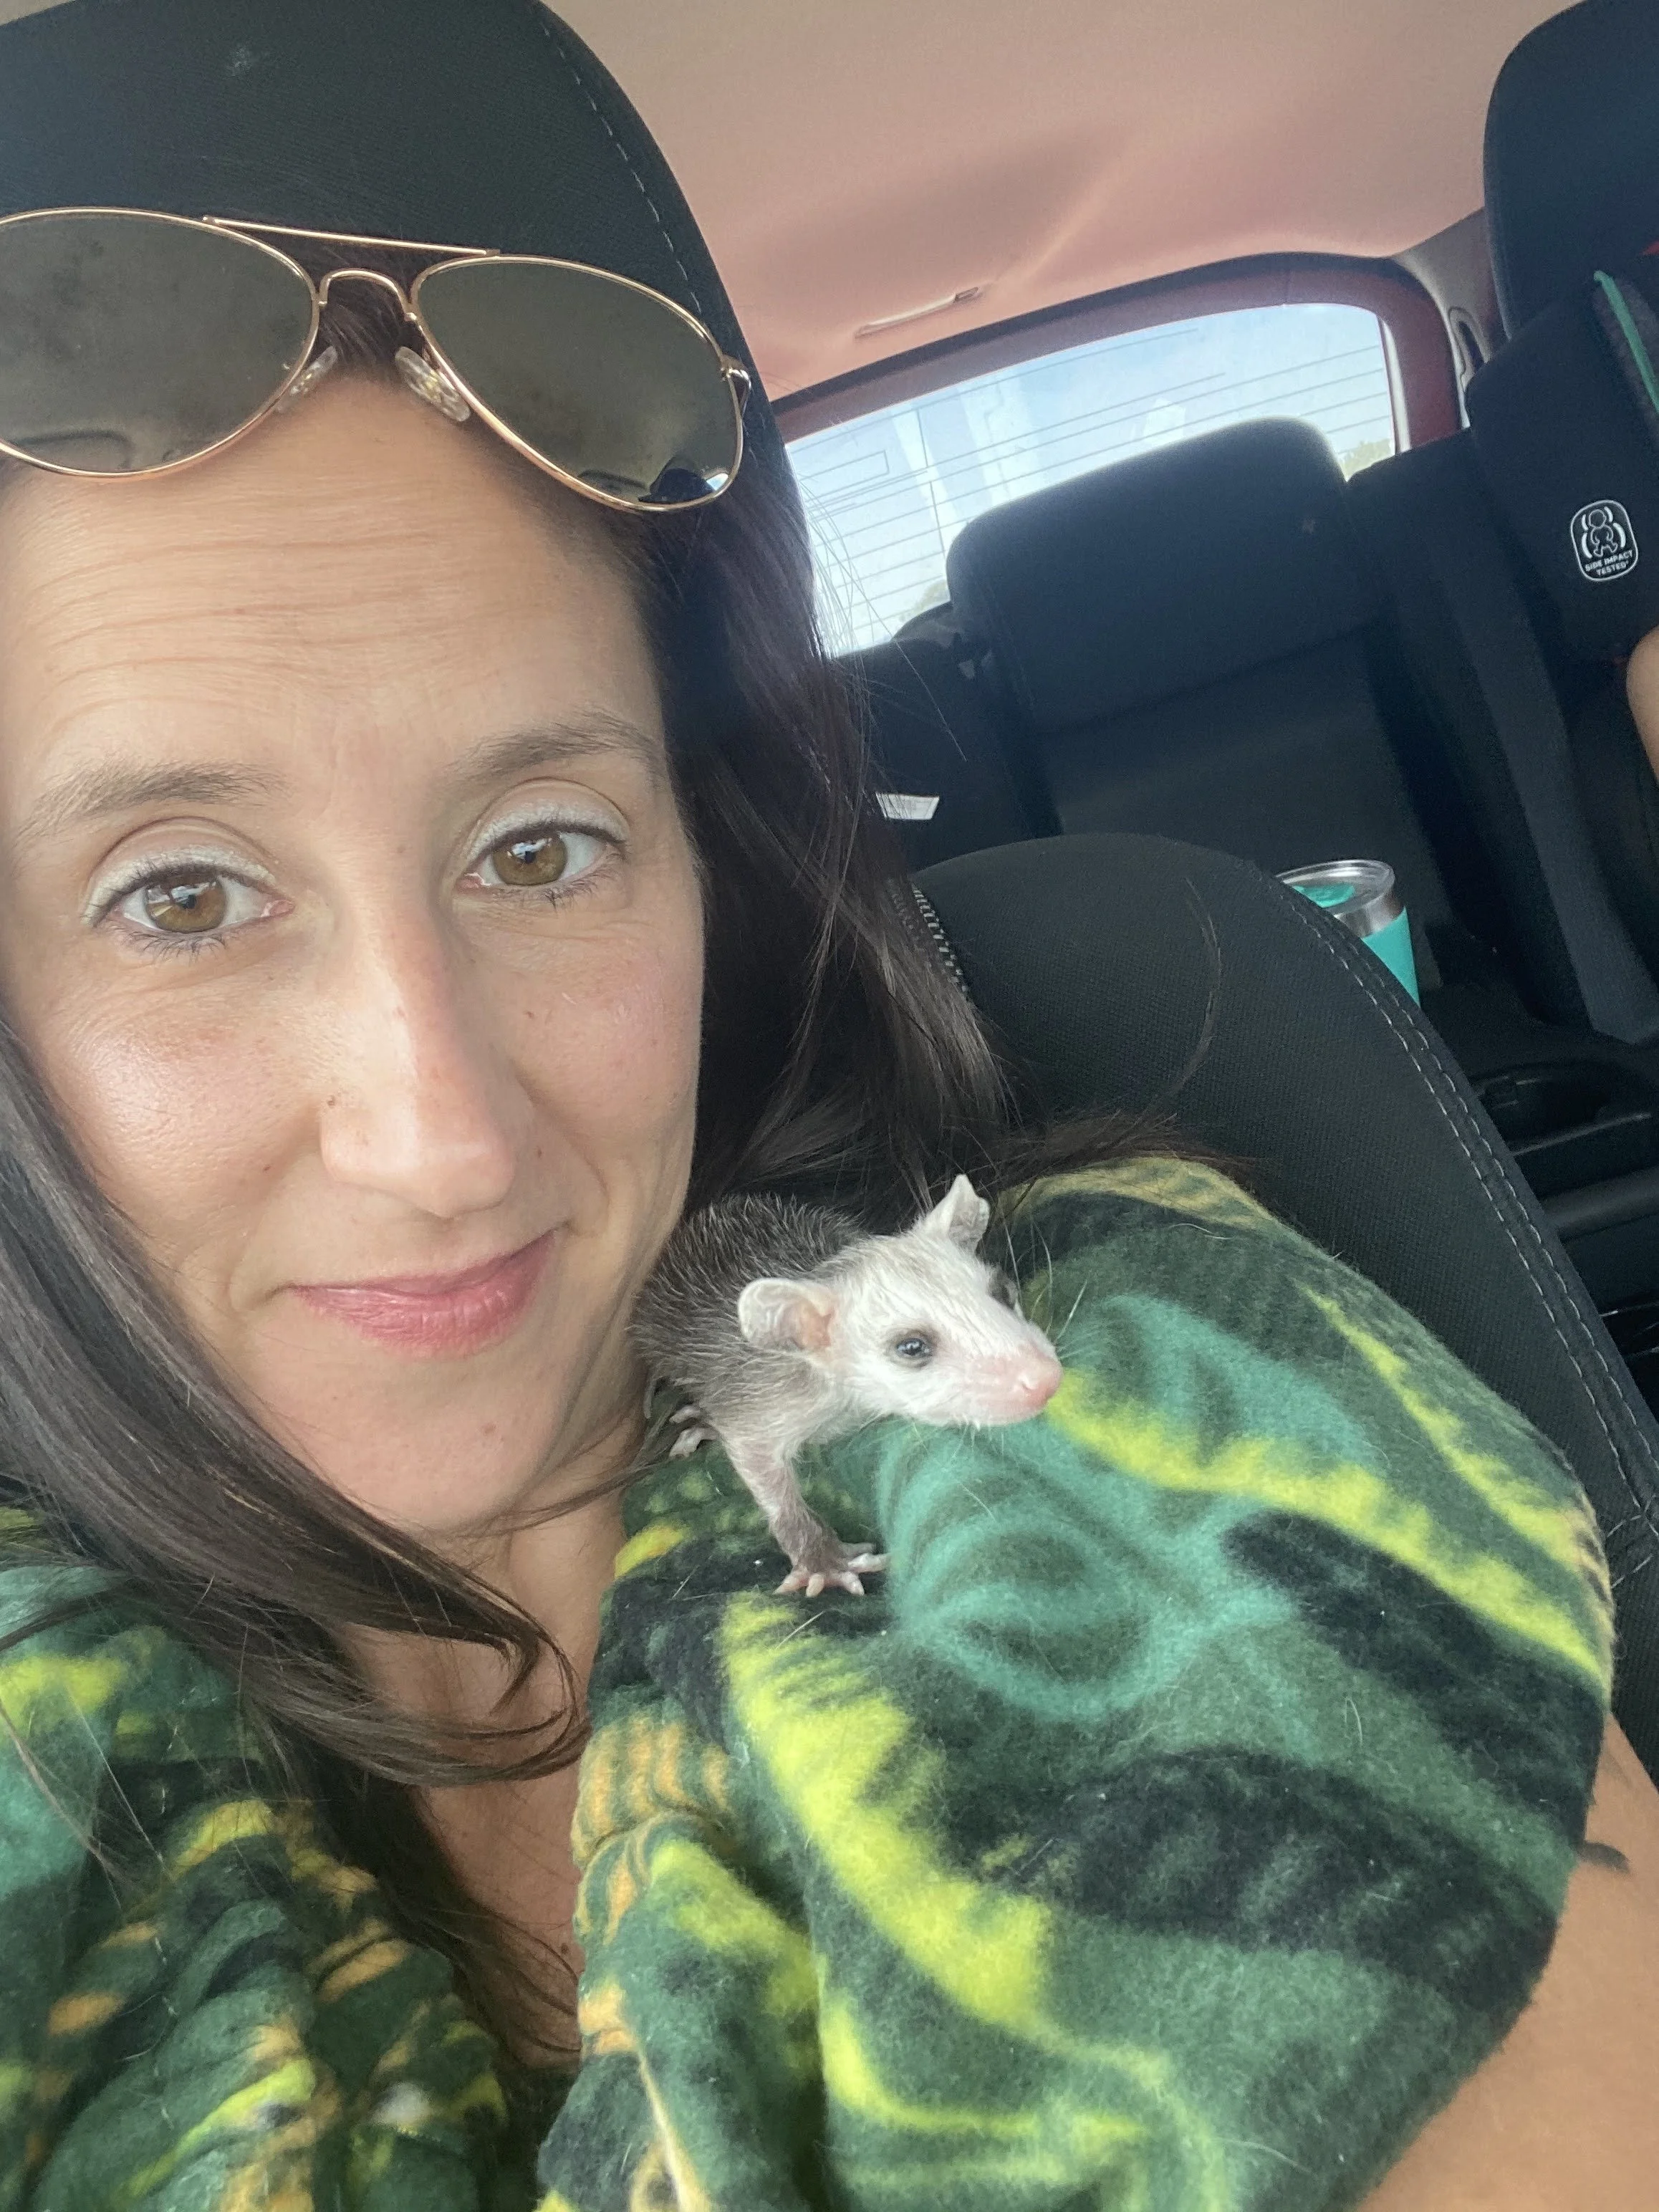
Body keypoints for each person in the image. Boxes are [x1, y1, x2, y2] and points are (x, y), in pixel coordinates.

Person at [0, 4, 1651, 2208]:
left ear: (709, 867)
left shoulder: (1157, 1432)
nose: (446, 1136)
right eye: (179, 895)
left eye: (542, 848)